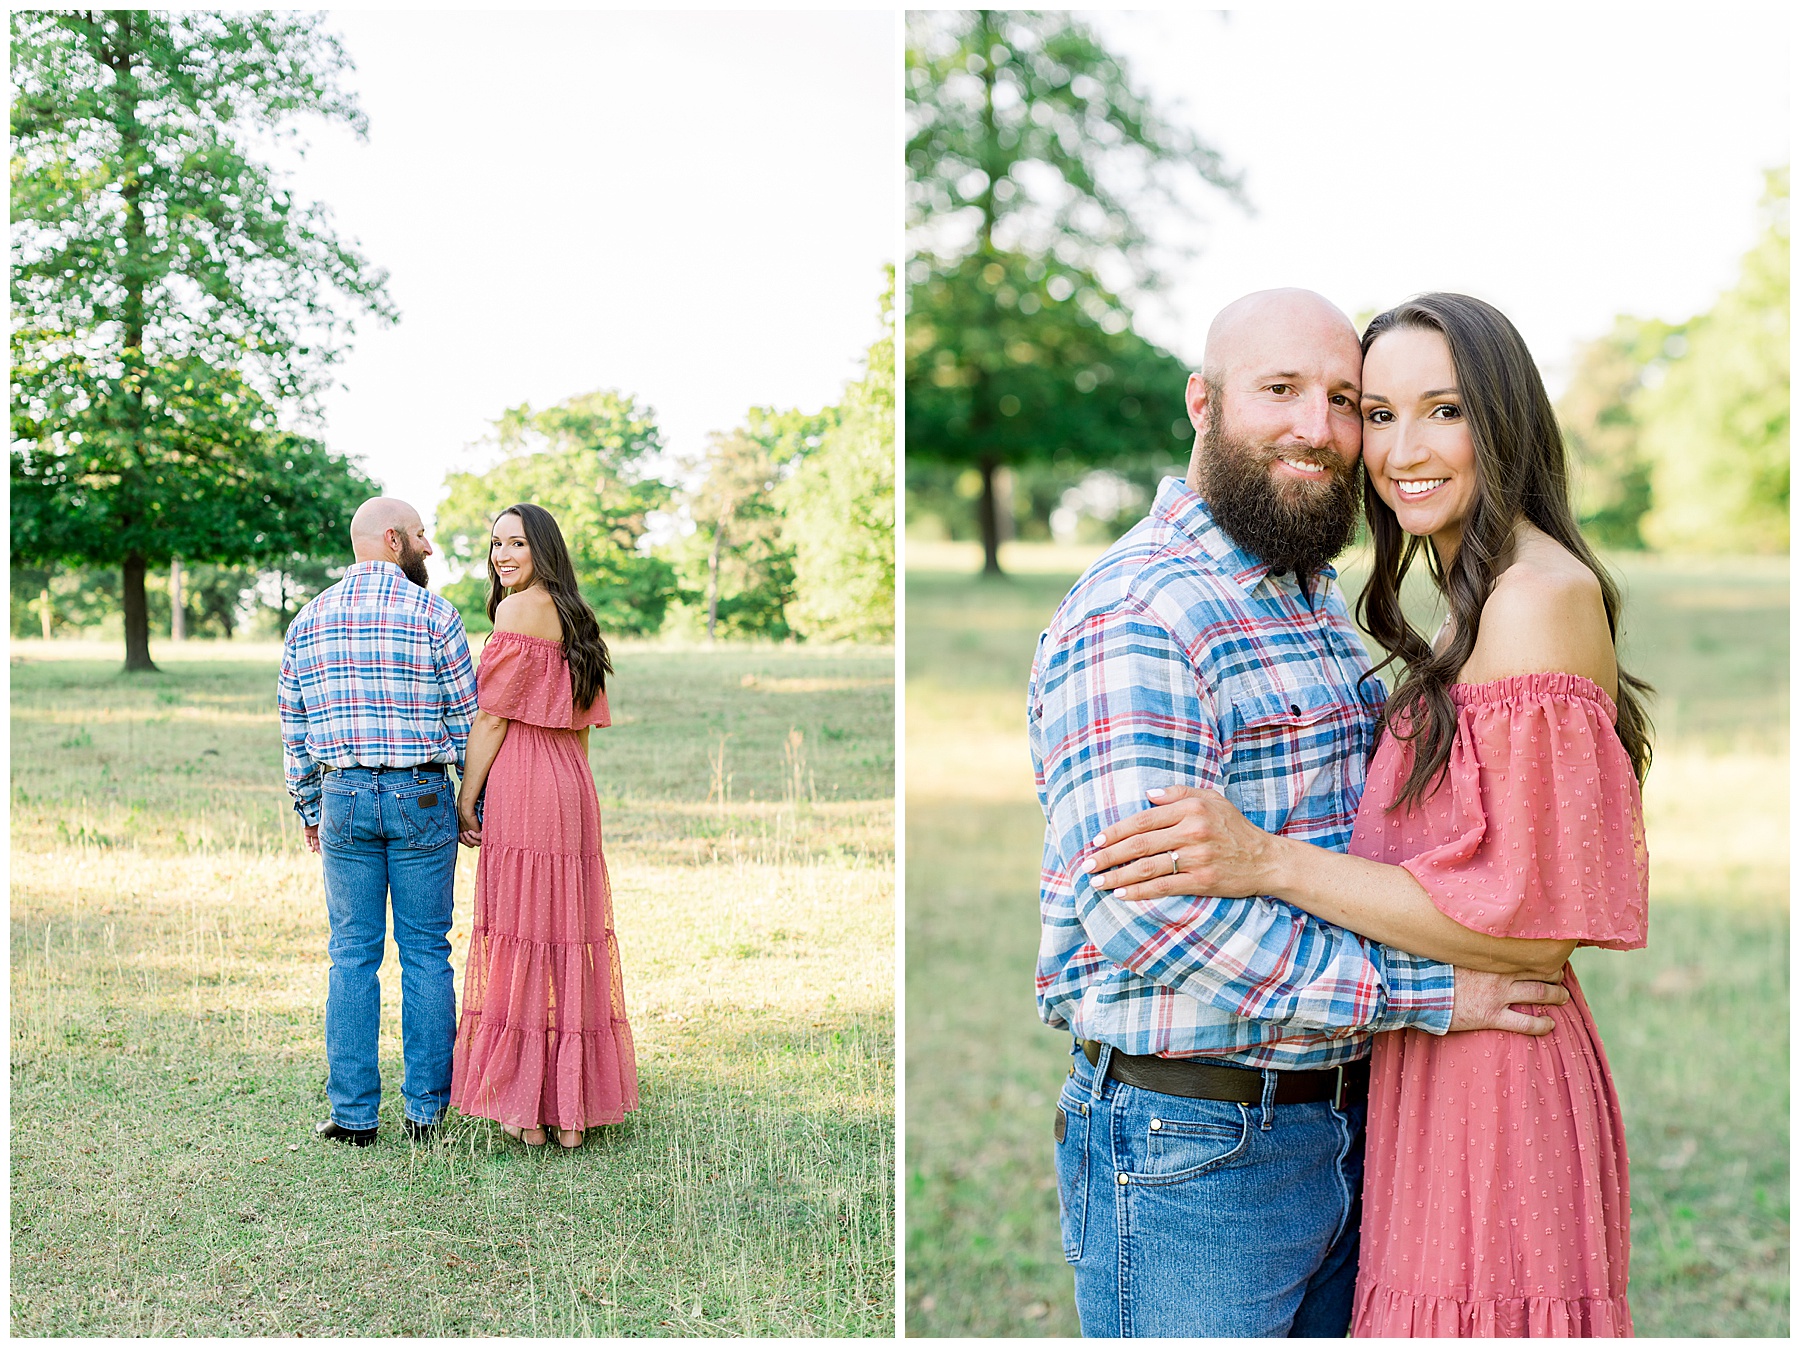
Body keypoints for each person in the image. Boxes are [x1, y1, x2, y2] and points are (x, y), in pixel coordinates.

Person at [1086, 293, 1650, 1336]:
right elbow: (1140, 911)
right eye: (1377, 412)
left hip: (1491, 1066)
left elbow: (1531, 932)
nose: (1394, 447)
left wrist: (1269, 861)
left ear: (1505, 419)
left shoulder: (1531, 596)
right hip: (1397, 1076)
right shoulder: (1418, 598)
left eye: (1440, 409)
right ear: (1204, 405)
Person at [278, 496, 478, 1147]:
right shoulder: (435, 615)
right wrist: (478, 807)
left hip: (344, 799)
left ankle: (355, 1119)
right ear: (393, 539)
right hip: (422, 797)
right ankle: (426, 1113)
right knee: (426, 953)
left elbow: (296, 729)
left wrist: (311, 807)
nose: (429, 546)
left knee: (351, 957)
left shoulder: (308, 621)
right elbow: (467, 724)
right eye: (421, 535)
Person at [450, 502, 638, 1149]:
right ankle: (573, 1113)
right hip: (572, 785)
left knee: (524, 934)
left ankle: (529, 1110)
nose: (502, 556)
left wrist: (468, 797)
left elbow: (493, 719)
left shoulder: (514, 611)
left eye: (516, 546)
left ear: (543, 551)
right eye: (495, 545)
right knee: (567, 937)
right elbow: (583, 729)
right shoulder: (577, 614)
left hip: (527, 777)